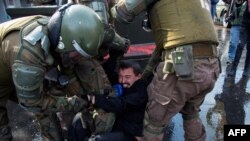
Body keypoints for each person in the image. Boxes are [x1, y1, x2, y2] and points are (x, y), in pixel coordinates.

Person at [0, 3, 129, 141]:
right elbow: (33, 103)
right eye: (79, 54)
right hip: (5, 77)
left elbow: (106, 34)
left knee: (51, 111)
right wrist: (74, 103)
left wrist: (122, 44)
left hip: (23, 68)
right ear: (64, 45)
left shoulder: (67, 29)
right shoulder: (29, 54)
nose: (81, 59)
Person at [111, 0, 221, 140]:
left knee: (154, 122)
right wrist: (144, 78)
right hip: (212, 65)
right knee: (191, 112)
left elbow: (122, 13)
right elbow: (162, 50)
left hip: (183, 65)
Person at [68, 60, 148, 141]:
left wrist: (94, 99)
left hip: (130, 134)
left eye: (127, 77)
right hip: (110, 125)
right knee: (78, 121)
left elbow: (120, 104)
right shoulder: (120, 84)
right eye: (120, 76)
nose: (123, 81)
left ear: (138, 76)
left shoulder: (141, 92)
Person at [228, 0, 250, 77]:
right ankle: (234, 68)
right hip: (245, 23)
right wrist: (237, 3)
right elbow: (238, 4)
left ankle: (247, 69)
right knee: (240, 45)